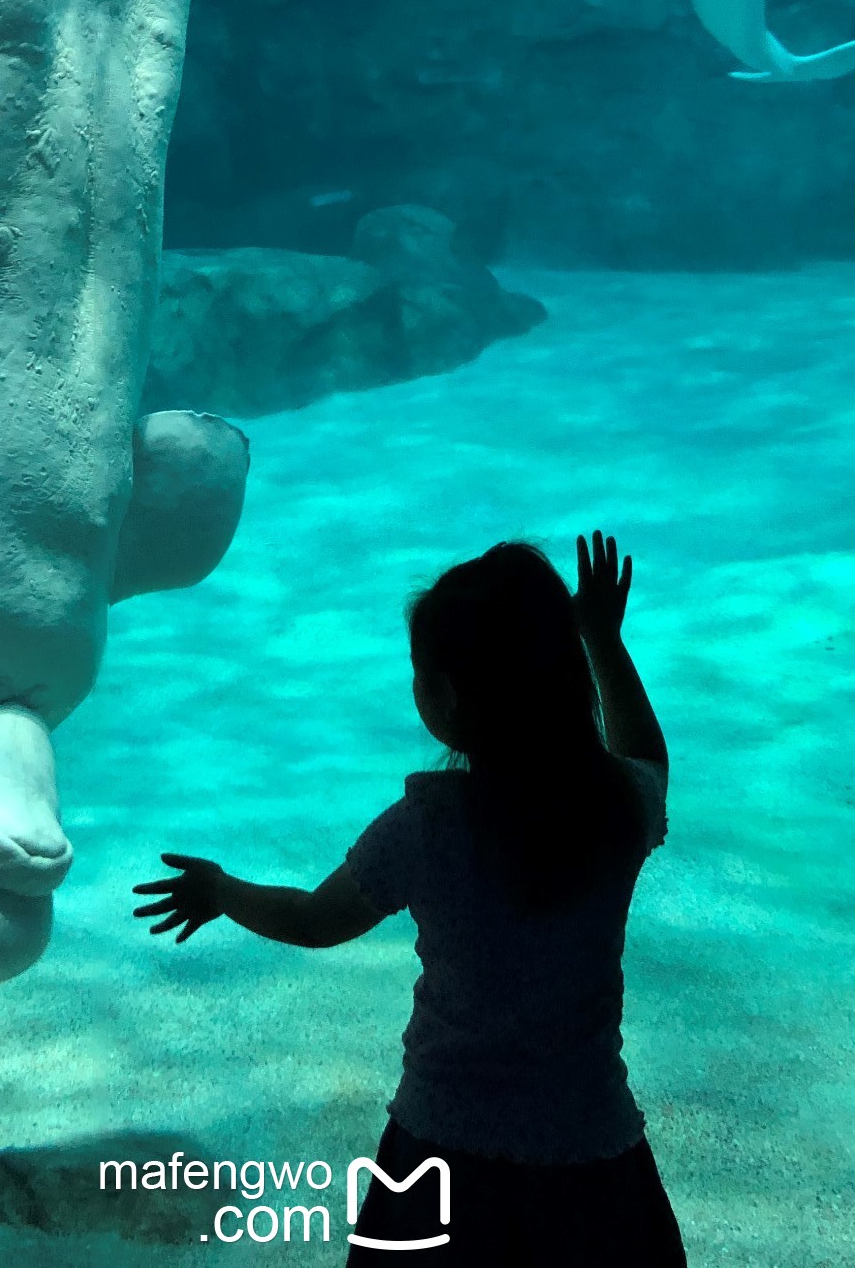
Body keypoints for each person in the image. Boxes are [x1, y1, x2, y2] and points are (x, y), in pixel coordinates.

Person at [133, 532, 685, 1267]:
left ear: (449, 699)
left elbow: (313, 920)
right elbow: (648, 758)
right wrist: (603, 641)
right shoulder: (618, 809)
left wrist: (222, 891)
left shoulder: (428, 828)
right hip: (590, 1150)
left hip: (442, 1155)